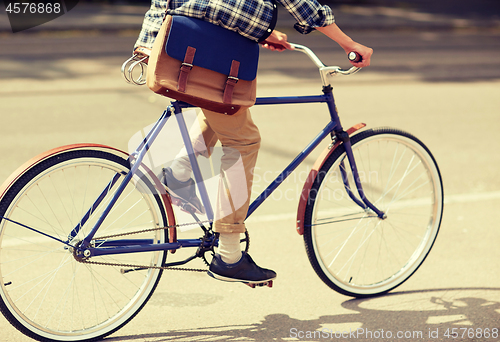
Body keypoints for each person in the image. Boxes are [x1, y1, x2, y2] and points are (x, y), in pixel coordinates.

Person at [134, 0, 373, 286]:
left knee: (225, 108)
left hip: (174, 41)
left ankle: (179, 175)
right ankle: (229, 255)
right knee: (244, 140)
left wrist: (262, 32)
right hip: (200, 47)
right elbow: (303, 7)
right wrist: (349, 44)